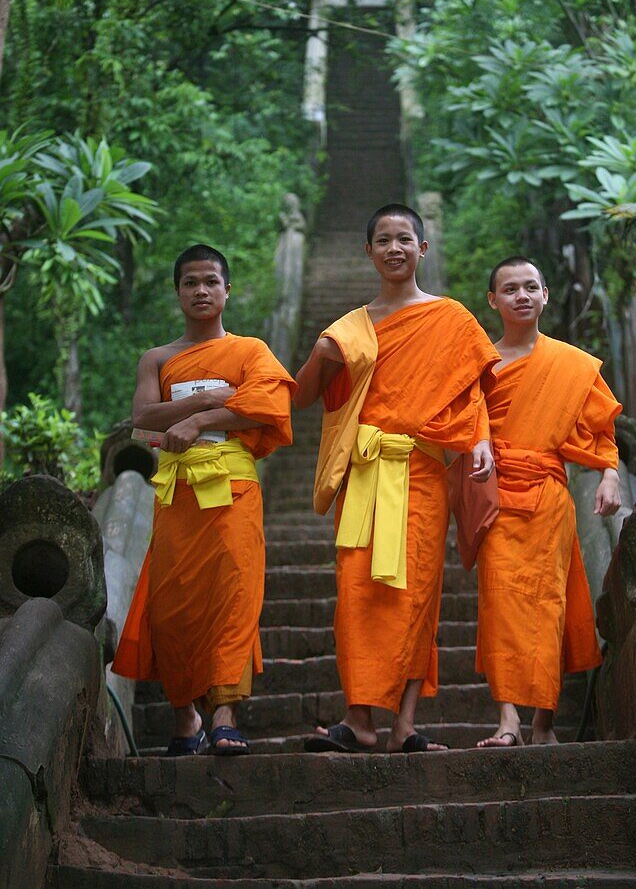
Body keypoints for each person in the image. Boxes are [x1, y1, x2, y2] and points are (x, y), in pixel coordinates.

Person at [295, 204, 499, 753]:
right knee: (355, 594)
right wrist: (319, 355)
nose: (393, 248)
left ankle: (404, 724)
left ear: (422, 249)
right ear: (368, 252)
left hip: (422, 473)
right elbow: (303, 395)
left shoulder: (451, 317)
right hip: (365, 475)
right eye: (382, 239)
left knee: (415, 596)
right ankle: (359, 718)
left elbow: (472, 391)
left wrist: (480, 439)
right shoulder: (351, 329)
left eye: (403, 239)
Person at [112, 244, 295, 756]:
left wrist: (196, 419)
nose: (201, 291)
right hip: (178, 494)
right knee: (172, 607)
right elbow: (144, 417)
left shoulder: (251, 351)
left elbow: (268, 408)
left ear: (227, 289)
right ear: (178, 293)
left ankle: (225, 715)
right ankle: (185, 714)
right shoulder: (158, 358)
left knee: (234, 596)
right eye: (190, 282)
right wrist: (211, 398)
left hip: (234, 490)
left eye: (211, 281)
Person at [475, 256, 621, 749]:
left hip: (549, 498)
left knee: (547, 605)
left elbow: (600, 428)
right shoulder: (479, 363)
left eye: (530, 287)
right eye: (510, 289)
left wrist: (609, 474)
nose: (521, 296)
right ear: (493, 301)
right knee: (500, 602)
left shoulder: (572, 364)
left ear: (545, 295)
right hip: (495, 498)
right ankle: (508, 721)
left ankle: (543, 723)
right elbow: (460, 426)